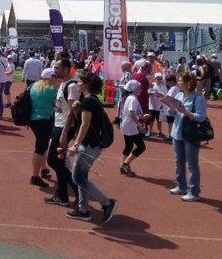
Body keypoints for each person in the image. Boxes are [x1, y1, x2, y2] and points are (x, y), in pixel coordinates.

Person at [63, 72, 118, 223]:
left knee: (77, 177)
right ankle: (83, 210)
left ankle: (107, 203)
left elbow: (85, 124)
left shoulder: (88, 102)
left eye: (80, 81)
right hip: (92, 144)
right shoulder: (90, 100)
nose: (77, 83)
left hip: (89, 145)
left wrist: (75, 145)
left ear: (86, 84)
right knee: (82, 177)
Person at [45, 59, 79, 206]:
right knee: (57, 161)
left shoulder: (71, 86)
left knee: (53, 160)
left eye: (57, 68)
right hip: (58, 125)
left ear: (66, 69)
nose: (55, 70)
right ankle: (63, 195)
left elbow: (72, 110)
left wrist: (65, 132)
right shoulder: (63, 84)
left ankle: (78, 190)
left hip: (64, 127)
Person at [168, 72, 207, 202]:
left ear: (188, 83)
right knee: (179, 161)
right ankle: (181, 186)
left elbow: (201, 117)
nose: (178, 83)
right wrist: (171, 107)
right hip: (177, 133)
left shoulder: (198, 98)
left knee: (192, 164)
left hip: (191, 135)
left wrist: (185, 111)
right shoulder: (179, 95)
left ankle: (194, 192)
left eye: (180, 81)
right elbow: (173, 113)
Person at [28, 68, 58, 187]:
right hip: (44, 120)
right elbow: (58, 106)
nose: (56, 78)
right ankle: (35, 176)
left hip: (33, 119)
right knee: (40, 148)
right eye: (54, 76)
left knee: (44, 144)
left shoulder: (33, 86)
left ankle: (44, 168)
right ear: (49, 77)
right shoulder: (52, 89)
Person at [119, 80, 148, 177]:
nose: (141, 89)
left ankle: (123, 166)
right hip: (130, 126)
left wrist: (141, 117)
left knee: (129, 146)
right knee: (141, 147)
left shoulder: (130, 97)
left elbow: (132, 113)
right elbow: (131, 113)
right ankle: (125, 164)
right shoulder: (133, 99)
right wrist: (140, 124)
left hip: (126, 125)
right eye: (139, 88)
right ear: (134, 89)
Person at [147, 73, 168, 139]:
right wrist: (154, 93)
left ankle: (160, 132)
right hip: (152, 106)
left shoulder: (164, 86)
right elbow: (148, 92)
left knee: (159, 120)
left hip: (160, 106)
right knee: (151, 120)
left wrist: (162, 104)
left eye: (160, 78)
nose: (159, 79)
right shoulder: (152, 85)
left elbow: (165, 95)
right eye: (157, 78)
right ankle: (150, 131)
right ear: (155, 79)